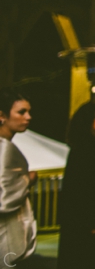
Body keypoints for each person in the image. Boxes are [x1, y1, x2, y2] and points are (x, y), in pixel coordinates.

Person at [57, 102, 95, 269]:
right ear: (87, 121)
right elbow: (81, 191)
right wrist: (92, 222)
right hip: (87, 224)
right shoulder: (86, 150)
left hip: (84, 223)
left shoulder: (85, 147)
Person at [0, 89, 36, 267]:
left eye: (28, 112)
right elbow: (3, 198)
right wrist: (27, 180)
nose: (28, 117)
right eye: (21, 112)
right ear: (2, 115)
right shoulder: (4, 149)